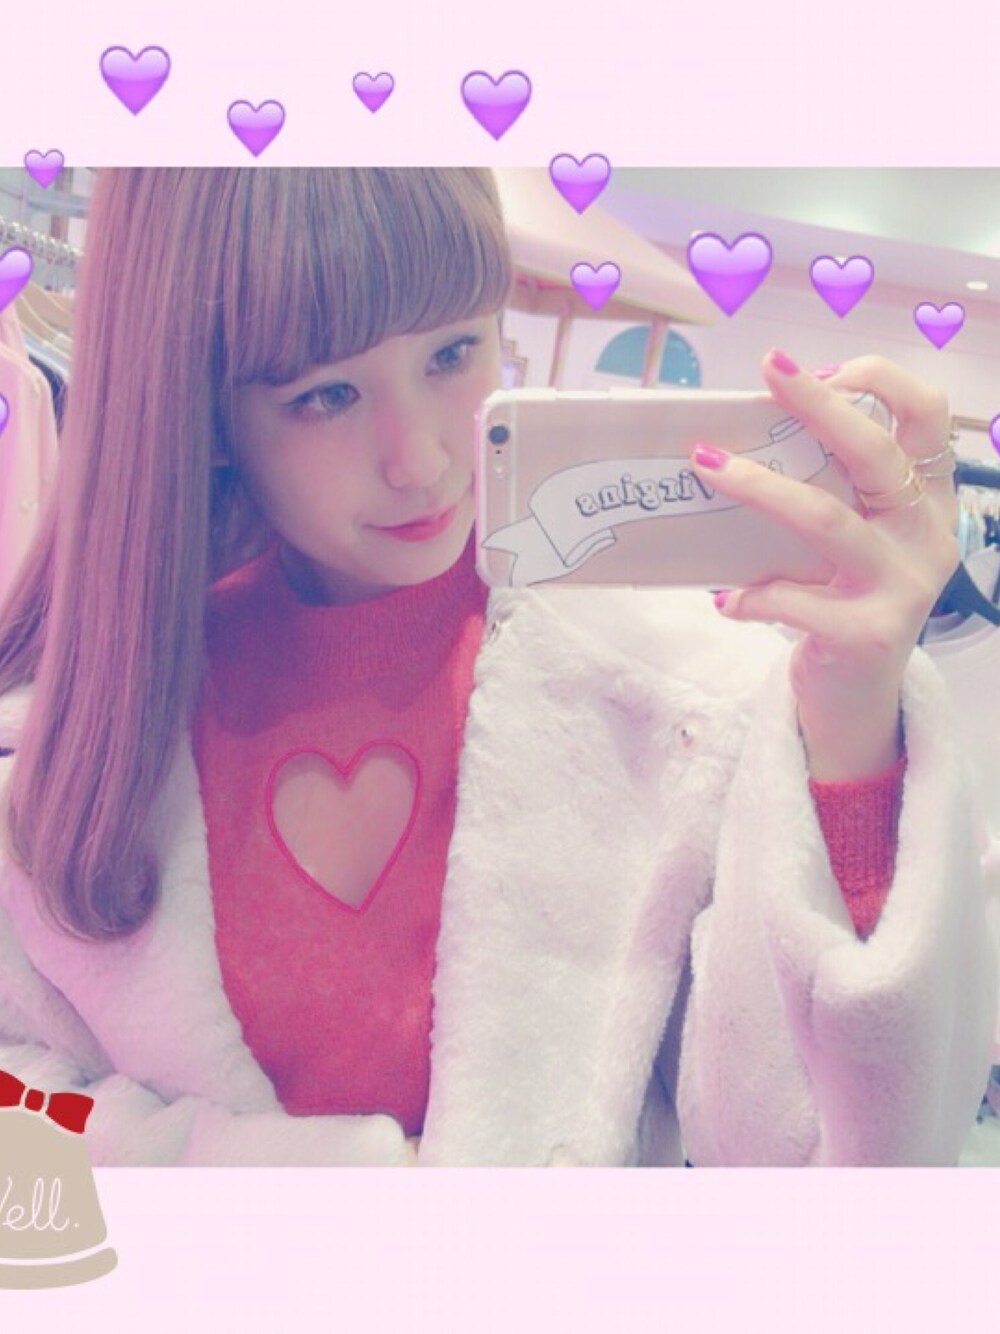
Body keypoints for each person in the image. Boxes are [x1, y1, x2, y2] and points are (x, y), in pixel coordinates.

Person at [0, 168, 995, 1168]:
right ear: (205, 406)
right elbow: (23, 1102)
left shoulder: (671, 694)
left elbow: (808, 1160)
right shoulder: (94, 729)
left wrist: (854, 715)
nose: (421, 459)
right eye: (325, 394)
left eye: (452, 352)